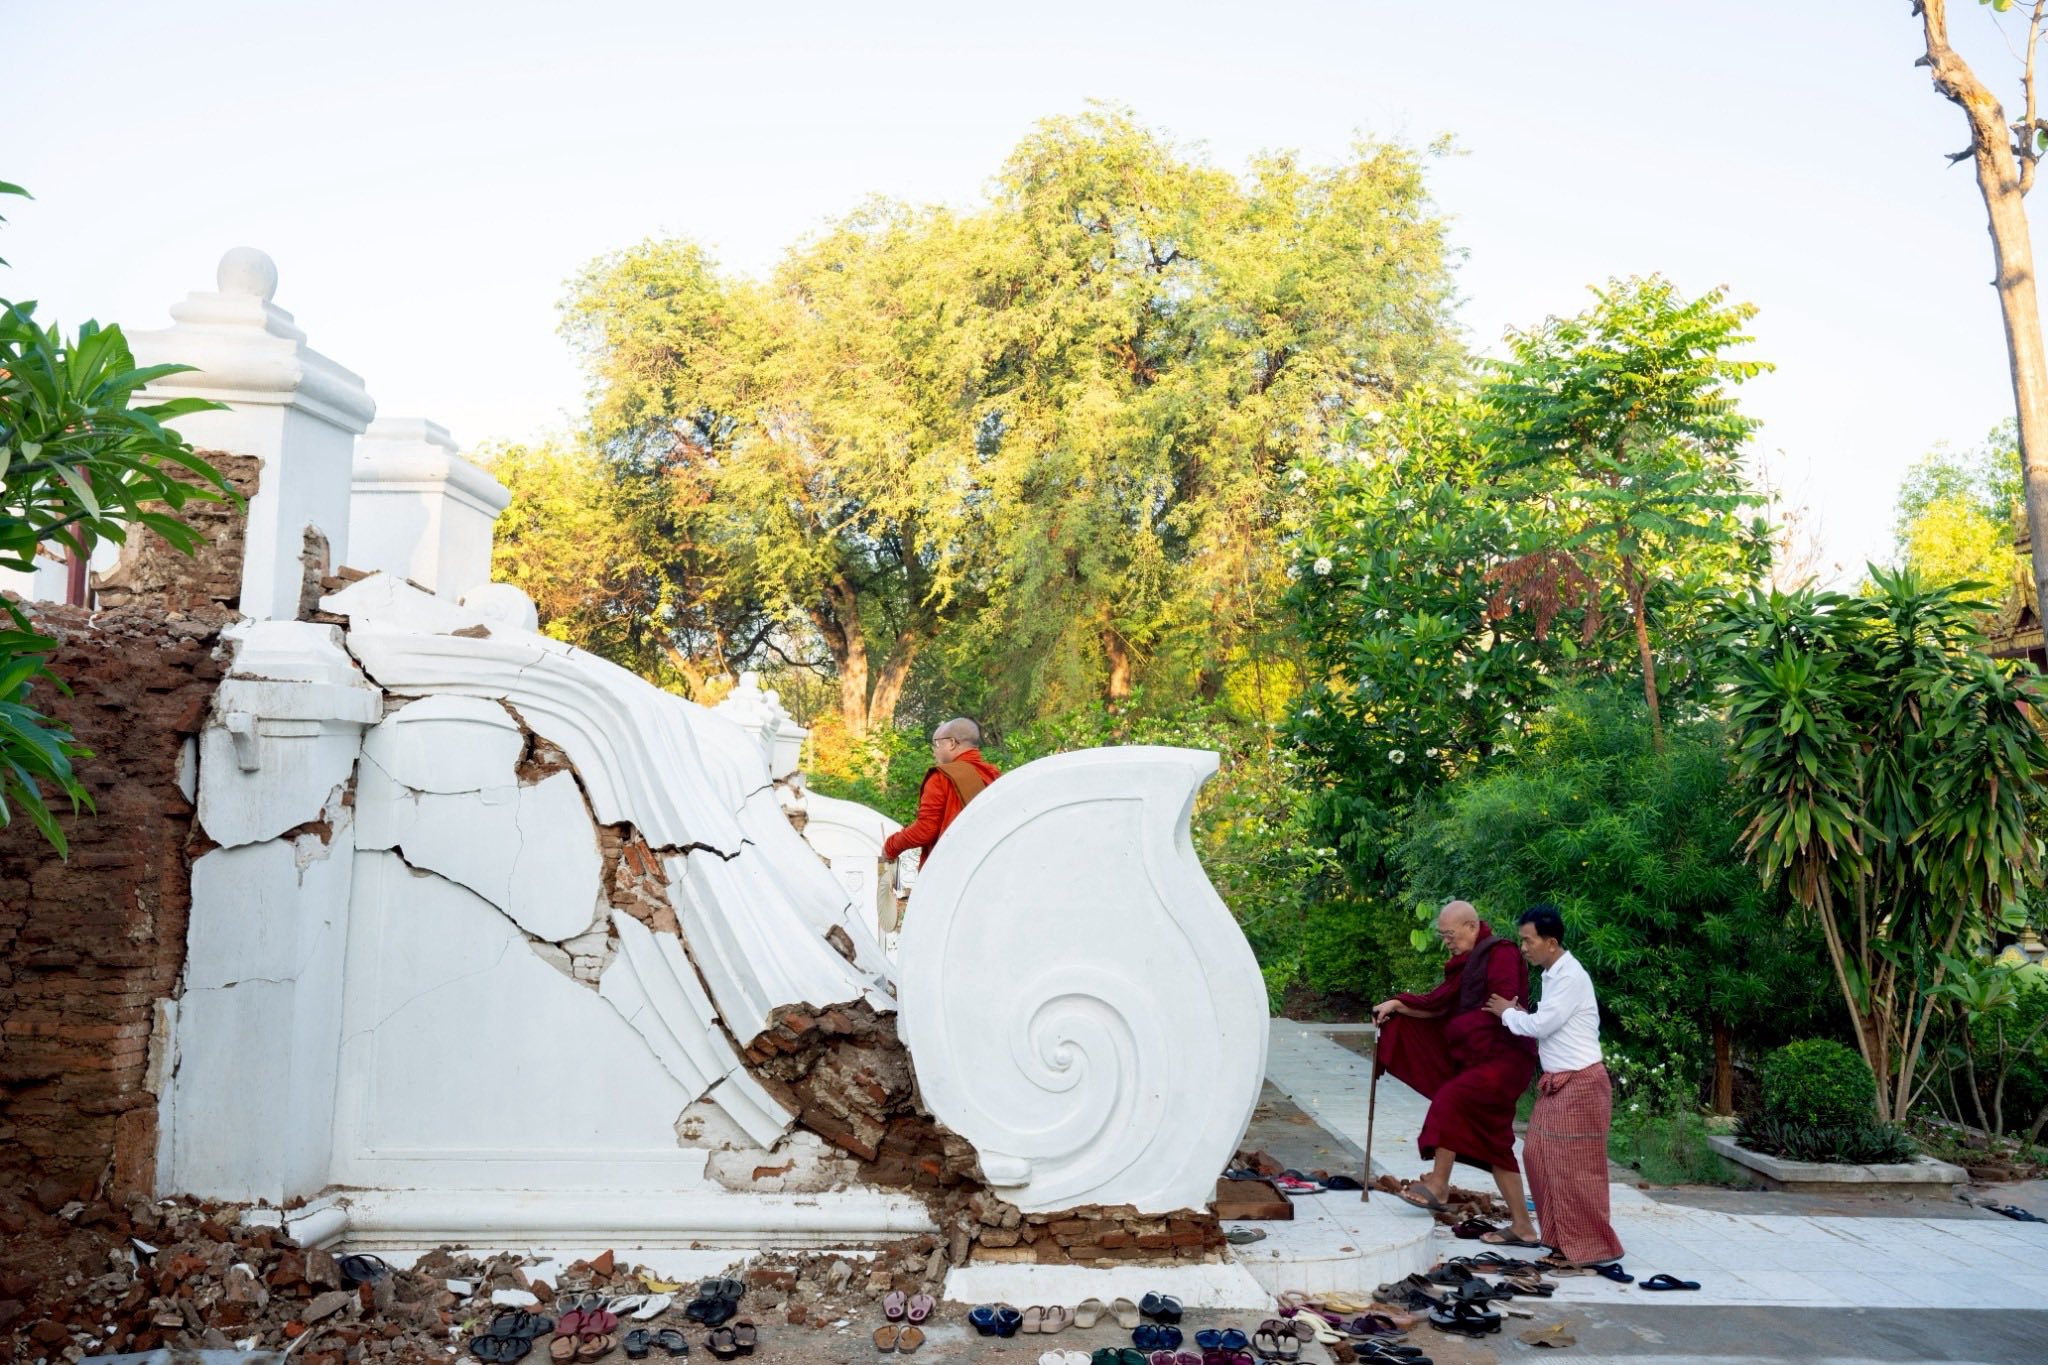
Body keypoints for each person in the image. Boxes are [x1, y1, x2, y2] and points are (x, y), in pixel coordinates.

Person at [1372, 900, 1541, 1242]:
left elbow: (1504, 1002)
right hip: (1483, 1061)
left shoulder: (1500, 952)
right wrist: (1398, 1004)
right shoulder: (1468, 962)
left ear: (1471, 927)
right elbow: (1440, 1004)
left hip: (1505, 1060)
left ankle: (1438, 1183)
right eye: (1442, 935)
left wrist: (1477, 1021)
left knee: (1451, 1098)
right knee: (1496, 1142)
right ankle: (1523, 1227)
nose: (1447, 941)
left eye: (1450, 934)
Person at [1485, 903, 1624, 1266]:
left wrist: (1508, 1014)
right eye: (1522, 941)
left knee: (1571, 1167)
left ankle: (1588, 1248)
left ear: (1551, 941)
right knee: (1537, 1155)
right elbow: (1545, 1022)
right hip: (1560, 1084)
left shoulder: (1569, 976)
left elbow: (1541, 1026)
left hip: (1580, 1084)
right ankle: (1561, 1240)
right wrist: (1518, 1015)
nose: (1524, 948)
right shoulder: (1553, 974)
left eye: (1528, 941)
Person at [882, 717, 1001, 867]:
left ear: (951, 743)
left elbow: (924, 830)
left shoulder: (941, 777)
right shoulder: (994, 774)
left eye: (937, 743)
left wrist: (891, 846)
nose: (934, 750)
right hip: (985, 864)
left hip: (949, 868)